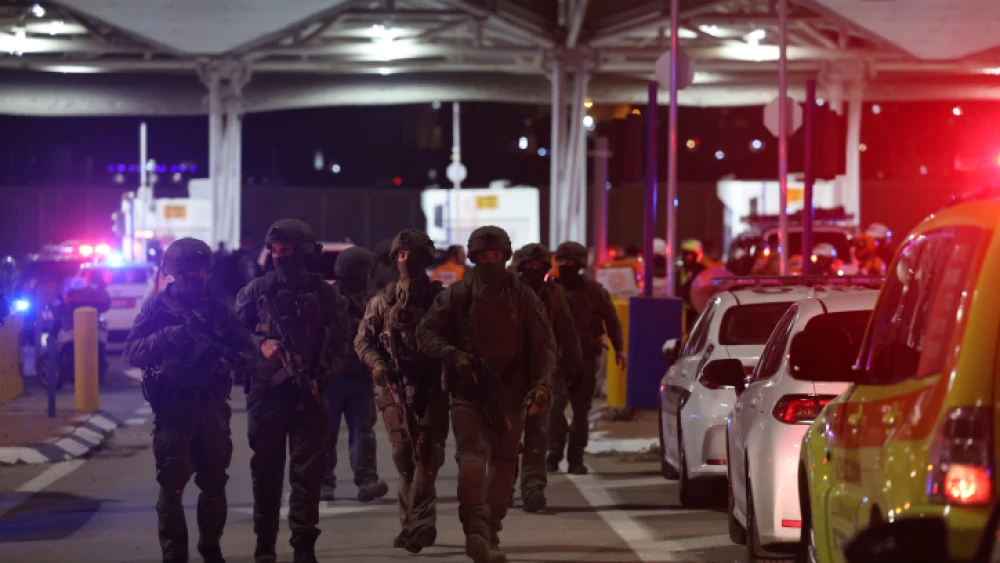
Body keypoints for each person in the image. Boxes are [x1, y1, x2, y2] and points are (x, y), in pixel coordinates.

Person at [417, 226, 556, 563]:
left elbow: (544, 345)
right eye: (482, 257)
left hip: (512, 390)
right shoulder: (458, 294)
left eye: (495, 256)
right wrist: (454, 354)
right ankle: (476, 529)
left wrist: (542, 385)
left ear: (506, 256)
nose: (489, 262)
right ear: (474, 258)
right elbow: (424, 333)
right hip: (469, 389)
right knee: (473, 457)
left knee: (506, 462)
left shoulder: (523, 296)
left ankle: (491, 528)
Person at [123, 238, 254, 563]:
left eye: (201, 272)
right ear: (172, 275)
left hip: (211, 407)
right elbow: (131, 352)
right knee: (172, 484)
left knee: (213, 484)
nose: (196, 279)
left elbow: (247, 349)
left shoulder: (218, 308)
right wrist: (163, 337)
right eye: (188, 274)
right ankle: (174, 555)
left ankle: (210, 547)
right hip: (172, 408)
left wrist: (229, 361)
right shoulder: (156, 308)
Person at [234, 219, 352, 563]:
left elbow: (341, 342)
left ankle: (303, 544)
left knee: (307, 475)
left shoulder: (324, 293)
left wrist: (323, 377)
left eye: (286, 251)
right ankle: (265, 545)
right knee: (266, 472)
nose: (279, 257)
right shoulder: (256, 291)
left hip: (309, 393)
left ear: (302, 253)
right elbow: (233, 340)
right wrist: (261, 344)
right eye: (274, 251)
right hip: (266, 393)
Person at [355, 229, 449, 553]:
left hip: (431, 387)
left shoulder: (441, 299)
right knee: (402, 458)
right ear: (395, 259)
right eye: (402, 255)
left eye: (414, 255)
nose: (407, 260)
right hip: (395, 388)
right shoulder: (382, 301)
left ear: (427, 258)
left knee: (427, 454)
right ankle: (407, 522)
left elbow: (459, 338)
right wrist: (378, 365)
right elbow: (363, 340)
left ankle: (422, 524)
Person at [510, 243, 583, 513]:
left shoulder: (553, 294)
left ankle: (533, 488)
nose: (535, 270)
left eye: (539, 266)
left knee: (538, 431)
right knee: (507, 432)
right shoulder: (506, 291)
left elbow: (566, 329)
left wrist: (574, 364)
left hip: (541, 371)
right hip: (508, 372)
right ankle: (505, 486)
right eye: (530, 265)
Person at [548, 241, 626, 476]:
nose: (564, 266)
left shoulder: (594, 292)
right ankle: (554, 454)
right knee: (555, 406)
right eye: (561, 262)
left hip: (585, 359)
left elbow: (611, 319)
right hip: (556, 359)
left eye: (570, 262)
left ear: (580, 265)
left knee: (581, 411)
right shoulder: (549, 290)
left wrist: (618, 348)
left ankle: (576, 458)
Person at [321, 246, 389, 504]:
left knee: (363, 430)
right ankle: (324, 482)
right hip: (332, 374)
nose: (369, 275)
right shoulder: (329, 297)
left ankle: (366, 481)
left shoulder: (370, 298)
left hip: (360, 374)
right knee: (326, 431)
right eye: (365, 271)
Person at [677, 239, 707, 331]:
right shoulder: (679, 272)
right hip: (683, 313)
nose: (687, 258)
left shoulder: (704, 272)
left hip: (699, 312)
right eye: (685, 254)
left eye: (690, 255)